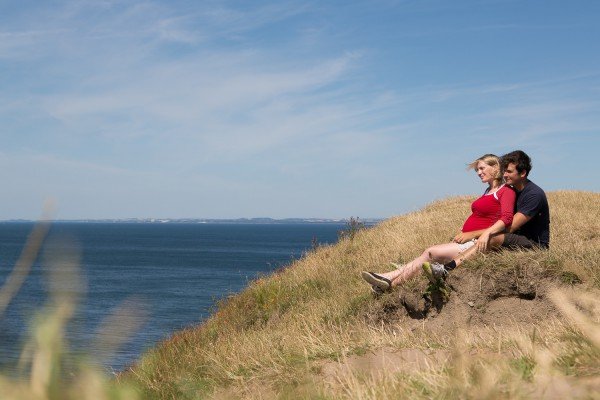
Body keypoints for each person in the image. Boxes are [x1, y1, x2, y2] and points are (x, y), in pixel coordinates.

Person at [362, 154, 516, 293]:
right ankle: (388, 281)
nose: (478, 172)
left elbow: (507, 218)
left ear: (495, 167)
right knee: (426, 257)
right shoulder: (488, 191)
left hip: (478, 243)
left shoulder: (505, 191)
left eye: (482, 168)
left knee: (431, 253)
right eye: (477, 169)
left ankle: (388, 280)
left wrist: (479, 234)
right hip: (469, 240)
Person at [422, 150, 550, 283]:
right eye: (504, 170)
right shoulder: (513, 190)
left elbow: (510, 227)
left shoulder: (533, 194)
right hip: (516, 239)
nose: (505, 175)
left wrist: (475, 234)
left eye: (509, 172)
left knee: (492, 238)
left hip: (534, 245)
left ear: (523, 173)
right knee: (487, 237)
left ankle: (447, 269)